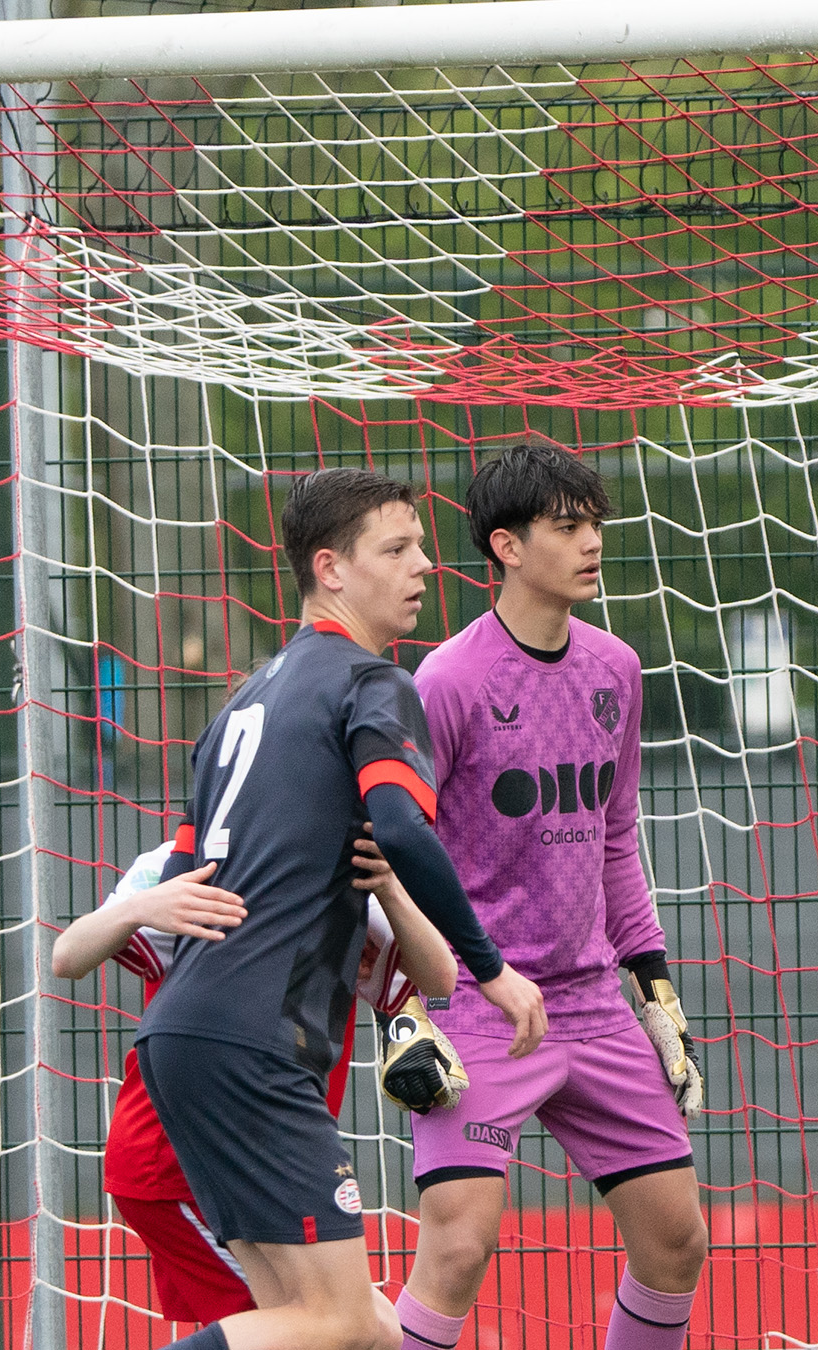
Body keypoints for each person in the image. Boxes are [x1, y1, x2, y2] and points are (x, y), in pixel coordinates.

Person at [135, 467, 548, 1350]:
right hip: (254, 1043)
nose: (424, 566)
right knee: (332, 1320)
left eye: (422, 547)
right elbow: (400, 824)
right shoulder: (371, 683)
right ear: (330, 568)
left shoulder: (242, 701)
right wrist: (495, 970)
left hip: (190, 1033)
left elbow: (183, 879)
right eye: (396, 549)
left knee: (360, 1330)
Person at [393, 445, 709, 1350]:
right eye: (567, 527)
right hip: (483, 1007)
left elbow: (614, 840)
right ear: (507, 546)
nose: (592, 543)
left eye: (594, 525)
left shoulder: (616, 668)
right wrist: (418, 992)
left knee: (676, 1241)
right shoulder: (448, 682)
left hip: (592, 1005)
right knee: (459, 1248)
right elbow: (399, 850)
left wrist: (653, 989)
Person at [49, 837, 455, 1326]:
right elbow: (67, 956)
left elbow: (434, 978)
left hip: (271, 1161)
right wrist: (139, 908)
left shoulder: (345, 866)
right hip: (182, 1164)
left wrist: (409, 1011)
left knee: (356, 1329)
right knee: (333, 1326)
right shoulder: (186, 860)